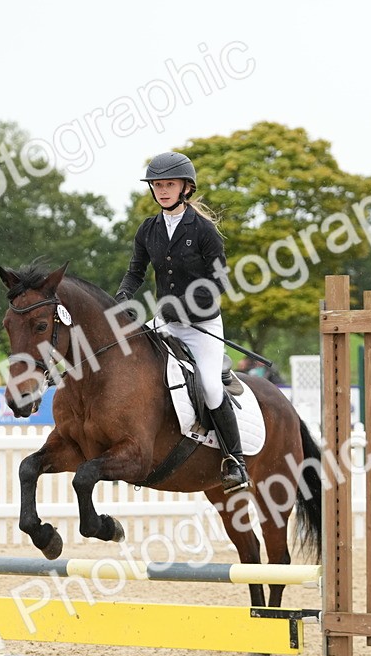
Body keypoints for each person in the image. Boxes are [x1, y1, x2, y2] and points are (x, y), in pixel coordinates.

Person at [115, 151, 248, 493]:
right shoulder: (149, 229)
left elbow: (219, 282)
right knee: (136, 368)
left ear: (186, 188)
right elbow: (135, 272)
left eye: (169, 184)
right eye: (157, 185)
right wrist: (122, 297)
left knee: (209, 384)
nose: (162, 190)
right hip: (166, 322)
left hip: (202, 325)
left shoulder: (203, 230)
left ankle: (235, 461)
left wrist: (187, 307)